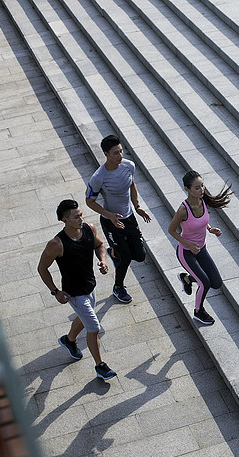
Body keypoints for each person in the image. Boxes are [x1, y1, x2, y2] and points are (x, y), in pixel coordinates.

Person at [37, 199, 117, 380]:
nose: (80, 219)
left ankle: (69, 340)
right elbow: (42, 268)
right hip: (74, 294)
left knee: (83, 319)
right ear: (64, 220)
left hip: (90, 286)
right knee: (94, 327)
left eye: (80, 214)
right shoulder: (56, 244)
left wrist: (103, 261)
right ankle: (100, 366)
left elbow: (100, 245)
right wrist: (55, 291)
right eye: (76, 217)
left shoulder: (89, 229)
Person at [85, 134, 151, 304]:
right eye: (115, 153)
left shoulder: (129, 166)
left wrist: (137, 206)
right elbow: (89, 201)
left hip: (129, 217)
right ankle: (118, 287)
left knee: (140, 256)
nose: (120, 156)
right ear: (106, 154)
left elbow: (132, 184)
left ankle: (114, 253)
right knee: (126, 257)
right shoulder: (99, 177)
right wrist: (109, 215)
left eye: (121, 151)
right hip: (111, 222)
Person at [168, 170, 232, 325]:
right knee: (205, 283)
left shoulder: (203, 201)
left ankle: (187, 278)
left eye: (202, 186)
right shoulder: (183, 209)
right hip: (186, 252)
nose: (201, 189)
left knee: (216, 283)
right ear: (187, 189)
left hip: (201, 249)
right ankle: (198, 311)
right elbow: (171, 230)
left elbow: (201, 222)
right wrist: (188, 244)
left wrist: (210, 229)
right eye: (197, 187)